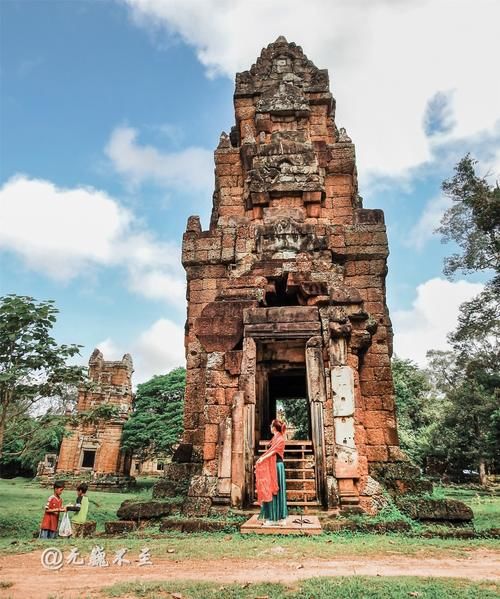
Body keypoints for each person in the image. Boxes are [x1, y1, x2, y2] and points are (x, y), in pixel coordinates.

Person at [255, 418, 288, 526]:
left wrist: (262, 458)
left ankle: (276, 519)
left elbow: (273, 452)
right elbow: (271, 451)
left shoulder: (280, 439)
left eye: (271, 425)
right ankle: (273, 517)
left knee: (275, 491)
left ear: (274, 427)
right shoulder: (275, 438)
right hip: (274, 466)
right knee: (271, 490)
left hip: (277, 467)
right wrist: (262, 459)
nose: (269, 427)